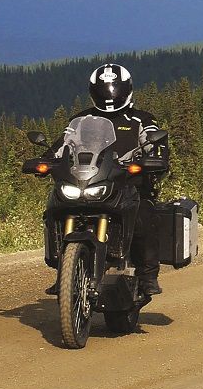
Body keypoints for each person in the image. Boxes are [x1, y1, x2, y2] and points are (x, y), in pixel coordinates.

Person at [45, 62, 169, 295]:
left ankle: (147, 275)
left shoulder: (141, 119)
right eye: (104, 90)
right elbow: (62, 145)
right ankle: (63, 270)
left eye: (114, 89)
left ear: (126, 89)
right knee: (54, 209)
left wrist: (155, 158)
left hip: (128, 185)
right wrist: (45, 160)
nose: (110, 95)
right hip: (90, 180)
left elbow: (157, 145)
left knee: (145, 216)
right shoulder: (81, 120)